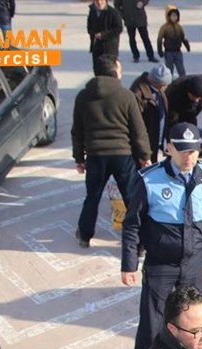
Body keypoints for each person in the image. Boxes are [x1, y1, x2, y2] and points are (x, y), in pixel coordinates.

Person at [121, 123, 202, 349]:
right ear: (169, 148)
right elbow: (132, 224)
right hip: (161, 263)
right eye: (183, 151)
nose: (189, 157)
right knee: (153, 321)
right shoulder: (149, 180)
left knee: (194, 320)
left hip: (194, 263)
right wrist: (129, 263)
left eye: (194, 151)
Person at [72, 55, 151, 248]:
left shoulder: (83, 96)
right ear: (114, 71)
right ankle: (140, 242)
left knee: (92, 196)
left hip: (95, 156)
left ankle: (84, 235)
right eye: (120, 69)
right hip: (122, 155)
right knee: (131, 198)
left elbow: (77, 131)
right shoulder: (126, 96)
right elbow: (138, 130)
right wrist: (144, 156)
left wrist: (79, 158)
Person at [130, 63, 172, 163]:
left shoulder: (157, 89)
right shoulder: (137, 94)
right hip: (145, 145)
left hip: (155, 140)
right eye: (164, 85)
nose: (165, 87)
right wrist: (143, 152)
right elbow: (136, 125)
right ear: (155, 82)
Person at [157, 5, 191, 77]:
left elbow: (182, 37)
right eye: (173, 16)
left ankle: (183, 82)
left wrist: (187, 45)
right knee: (169, 70)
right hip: (169, 52)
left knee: (181, 69)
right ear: (168, 16)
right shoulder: (164, 27)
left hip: (178, 51)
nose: (174, 17)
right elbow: (159, 39)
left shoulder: (179, 26)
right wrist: (160, 50)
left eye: (176, 16)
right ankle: (169, 84)